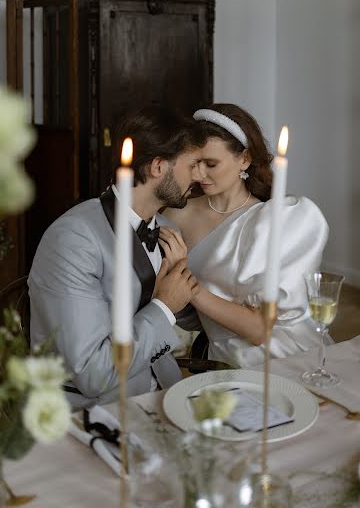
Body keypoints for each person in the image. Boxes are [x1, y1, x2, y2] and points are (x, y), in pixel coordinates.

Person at [28, 106, 205, 409]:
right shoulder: (73, 240)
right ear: (158, 167)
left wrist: (180, 278)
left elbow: (183, 315)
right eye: (194, 164)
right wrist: (164, 305)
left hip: (165, 393)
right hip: (94, 410)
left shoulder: (167, 230)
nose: (201, 175)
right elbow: (93, 373)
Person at [160, 103, 329, 368]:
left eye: (211, 164)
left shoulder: (273, 223)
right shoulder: (175, 215)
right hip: (223, 355)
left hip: (280, 352)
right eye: (194, 163)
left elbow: (259, 331)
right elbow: (179, 307)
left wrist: (189, 288)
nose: (198, 174)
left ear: (245, 159)